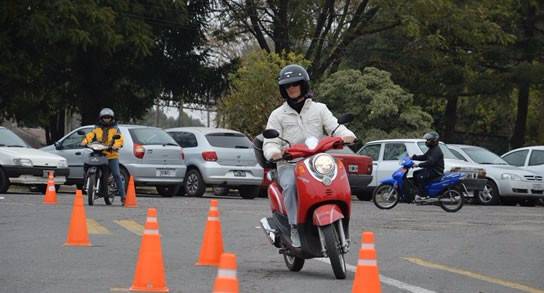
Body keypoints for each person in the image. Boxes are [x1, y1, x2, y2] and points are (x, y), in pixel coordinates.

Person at [262, 64, 356, 247]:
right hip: (290, 164)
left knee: (339, 180)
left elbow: (335, 127)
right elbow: (270, 141)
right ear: (283, 89)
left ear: (303, 85)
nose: (292, 88)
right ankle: (294, 227)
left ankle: (343, 225)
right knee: (289, 186)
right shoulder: (277, 115)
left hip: (316, 162)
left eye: (296, 84)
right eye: (288, 86)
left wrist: (347, 136)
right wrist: (274, 153)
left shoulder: (319, 109)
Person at [80, 108, 126, 204]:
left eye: (108, 117)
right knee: (86, 164)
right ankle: (87, 184)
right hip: (99, 153)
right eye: (105, 117)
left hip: (111, 155)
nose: (106, 119)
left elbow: (119, 139)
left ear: (112, 118)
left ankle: (123, 197)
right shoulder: (96, 128)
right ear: (101, 118)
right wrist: (84, 142)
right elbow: (90, 135)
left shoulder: (115, 128)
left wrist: (115, 146)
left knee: (117, 175)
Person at [411, 131, 444, 200]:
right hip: (431, 169)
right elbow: (424, 157)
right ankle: (418, 191)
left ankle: (423, 195)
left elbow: (430, 162)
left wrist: (418, 165)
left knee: (420, 176)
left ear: (434, 140)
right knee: (415, 173)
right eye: (427, 140)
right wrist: (413, 157)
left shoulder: (436, 150)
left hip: (436, 171)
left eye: (428, 140)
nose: (427, 142)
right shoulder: (432, 149)